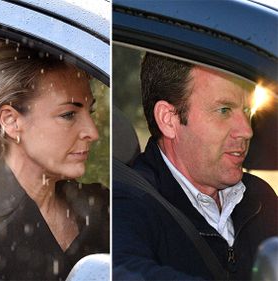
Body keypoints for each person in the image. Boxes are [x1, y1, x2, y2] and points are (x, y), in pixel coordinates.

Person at [0, 41, 109, 280]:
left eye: (89, 112)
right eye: (69, 114)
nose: (92, 132)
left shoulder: (104, 209)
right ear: (11, 121)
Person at [112, 53, 278, 280]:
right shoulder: (126, 204)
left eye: (247, 111)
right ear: (169, 119)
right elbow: (122, 271)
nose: (247, 131)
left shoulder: (260, 198)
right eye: (224, 110)